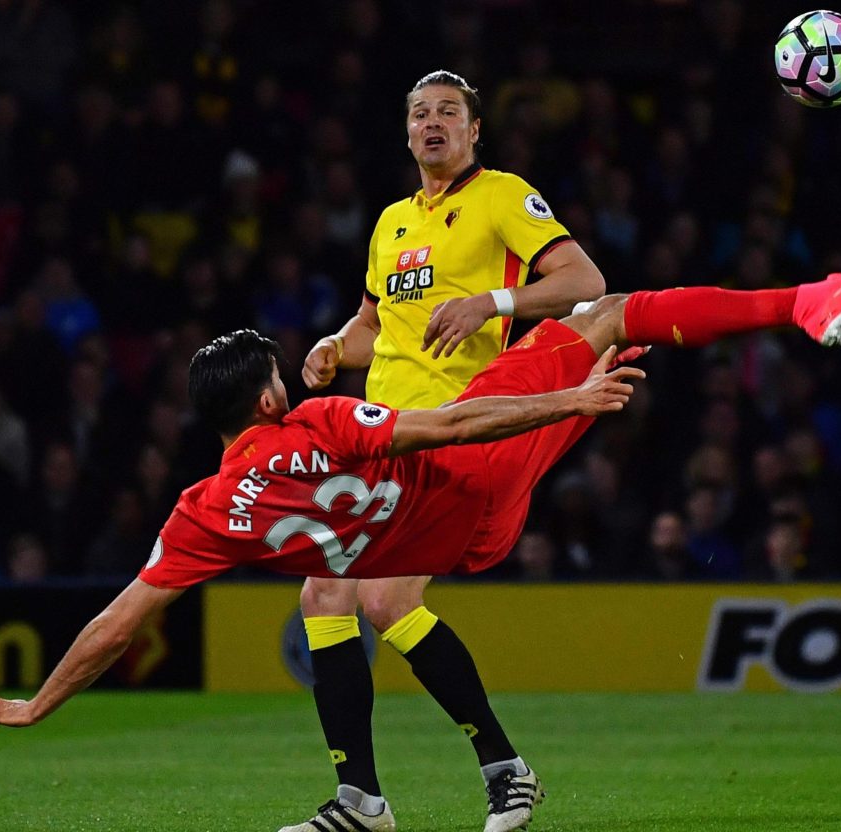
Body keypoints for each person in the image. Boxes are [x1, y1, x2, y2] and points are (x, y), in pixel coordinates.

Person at [0, 246, 841, 832]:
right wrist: (571, 401)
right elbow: (456, 429)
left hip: (453, 547)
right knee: (610, 314)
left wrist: (36, 704)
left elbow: (120, 622)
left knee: (346, 590)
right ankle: (806, 299)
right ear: (267, 398)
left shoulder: (203, 513)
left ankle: (384, 797)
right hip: (478, 485)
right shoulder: (323, 422)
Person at [297, 69, 608, 832]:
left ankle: (493, 775)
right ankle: (368, 800)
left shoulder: (502, 195)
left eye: (447, 113)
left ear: (474, 131)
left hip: (459, 428)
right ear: (406, 134)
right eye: (419, 114)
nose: (432, 123)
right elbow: (377, 326)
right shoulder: (392, 221)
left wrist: (491, 303)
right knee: (329, 596)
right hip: (382, 433)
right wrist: (337, 346)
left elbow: (584, 281)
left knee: (380, 597)